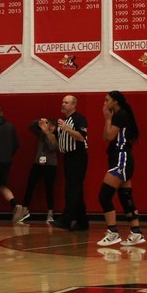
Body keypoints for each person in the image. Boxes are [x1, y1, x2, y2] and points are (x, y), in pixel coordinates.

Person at [96, 91, 145, 248]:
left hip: (121, 159)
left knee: (104, 196)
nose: (104, 103)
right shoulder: (117, 115)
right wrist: (108, 120)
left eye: (107, 100)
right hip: (119, 158)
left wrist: (108, 119)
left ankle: (113, 232)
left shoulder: (121, 115)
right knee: (125, 196)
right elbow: (106, 136)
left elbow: (110, 136)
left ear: (115, 101)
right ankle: (136, 232)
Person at [54, 95, 90, 231]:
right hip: (67, 156)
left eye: (66, 102)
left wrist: (66, 128)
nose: (63, 104)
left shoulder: (79, 119)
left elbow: (81, 137)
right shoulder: (63, 121)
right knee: (76, 190)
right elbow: (56, 142)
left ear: (74, 105)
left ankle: (66, 219)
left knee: (72, 189)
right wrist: (47, 132)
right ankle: (82, 221)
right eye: (62, 102)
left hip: (78, 156)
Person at [19, 118, 58, 224]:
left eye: (52, 126)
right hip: (38, 164)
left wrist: (47, 133)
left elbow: (53, 147)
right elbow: (31, 126)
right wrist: (39, 121)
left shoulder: (56, 136)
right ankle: (24, 210)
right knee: (30, 185)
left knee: (49, 189)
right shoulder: (41, 134)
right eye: (48, 124)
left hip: (50, 165)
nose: (50, 127)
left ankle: (50, 213)